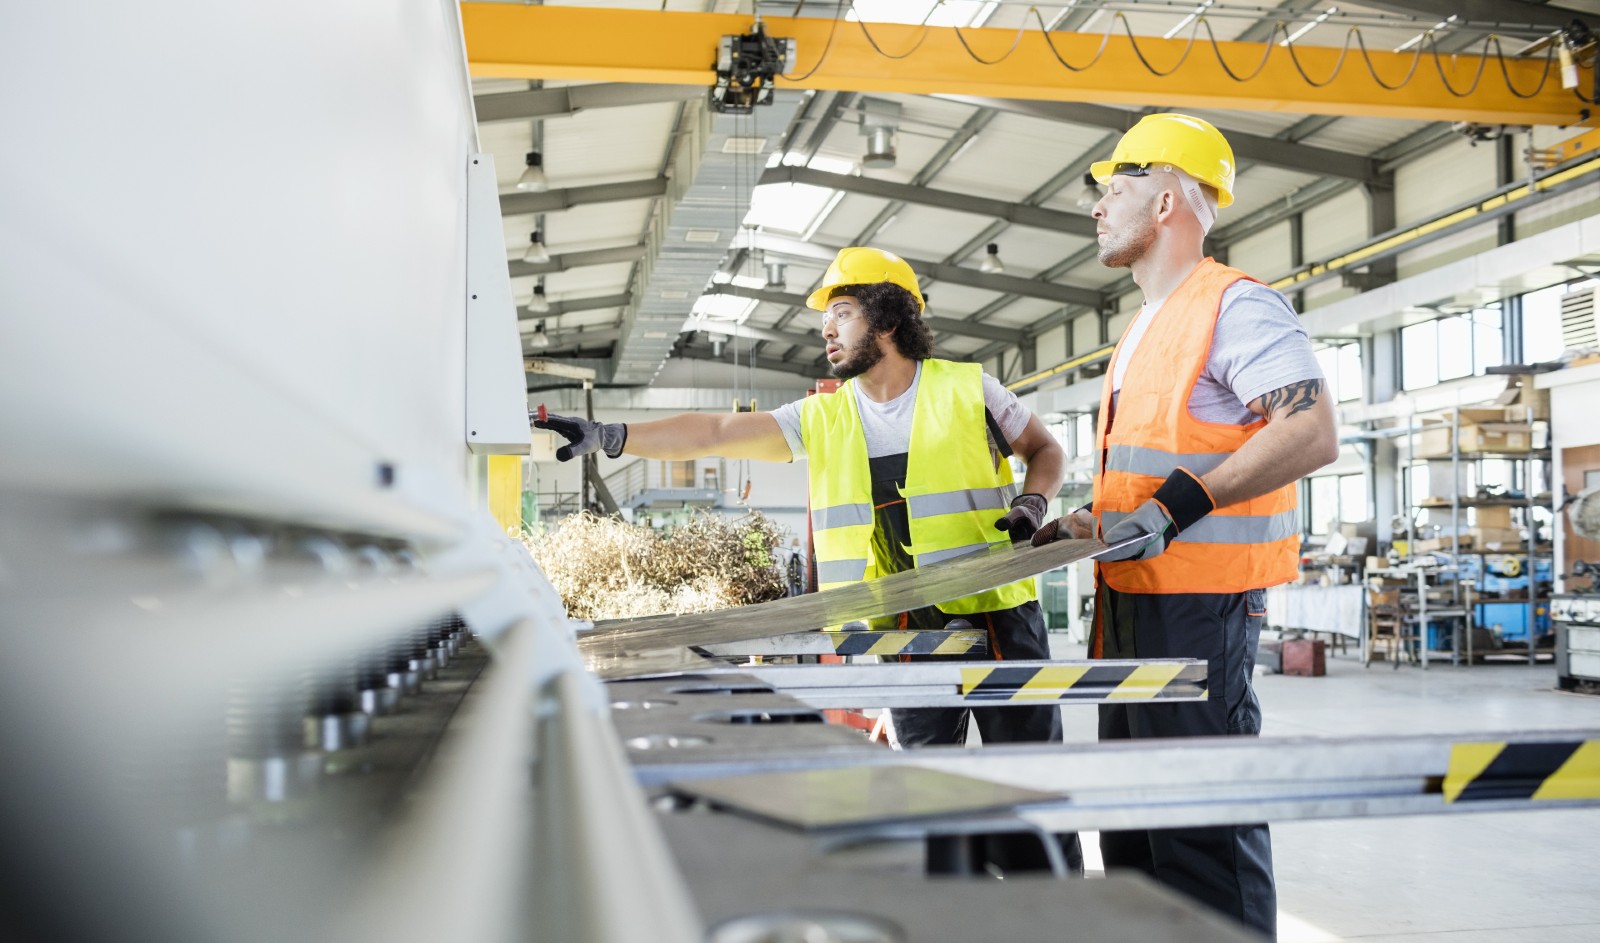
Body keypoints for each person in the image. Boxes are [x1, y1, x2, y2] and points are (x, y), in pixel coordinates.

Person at [536, 246, 1081, 872]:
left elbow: (1045, 449)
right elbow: (715, 433)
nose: (825, 328)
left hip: (997, 617)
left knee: (1031, 790)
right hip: (902, 631)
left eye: (841, 311)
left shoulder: (969, 388)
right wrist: (613, 436)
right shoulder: (822, 416)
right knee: (928, 797)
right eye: (826, 316)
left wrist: (1034, 503)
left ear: (887, 319)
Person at [1032, 114, 1339, 937]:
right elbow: (1146, 476)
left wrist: (1179, 505)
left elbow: (1310, 430)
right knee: (1134, 837)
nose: (1098, 208)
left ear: (1167, 198)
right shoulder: (1139, 328)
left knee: (1202, 834)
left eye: (1115, 189)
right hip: (1128, 607)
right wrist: (1087, 522)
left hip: (1200, 613)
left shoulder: (1234, 305)